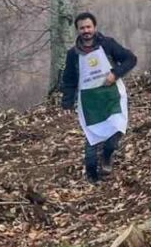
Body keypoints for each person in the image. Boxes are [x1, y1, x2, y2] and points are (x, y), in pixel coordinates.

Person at [59, 13, 138, 182]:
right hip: (89, 102)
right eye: (82, 28)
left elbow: (130, 59)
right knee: (92, 138)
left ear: (94, 27)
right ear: (78, 30)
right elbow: (69, 80)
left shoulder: (108, 44)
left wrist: (115, 73)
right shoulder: (73, 54)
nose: (86, 31)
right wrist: (67, 102)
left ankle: (107, 157)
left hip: (112, 97)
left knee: (115, 132)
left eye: (89, 27)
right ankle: (92, 178)